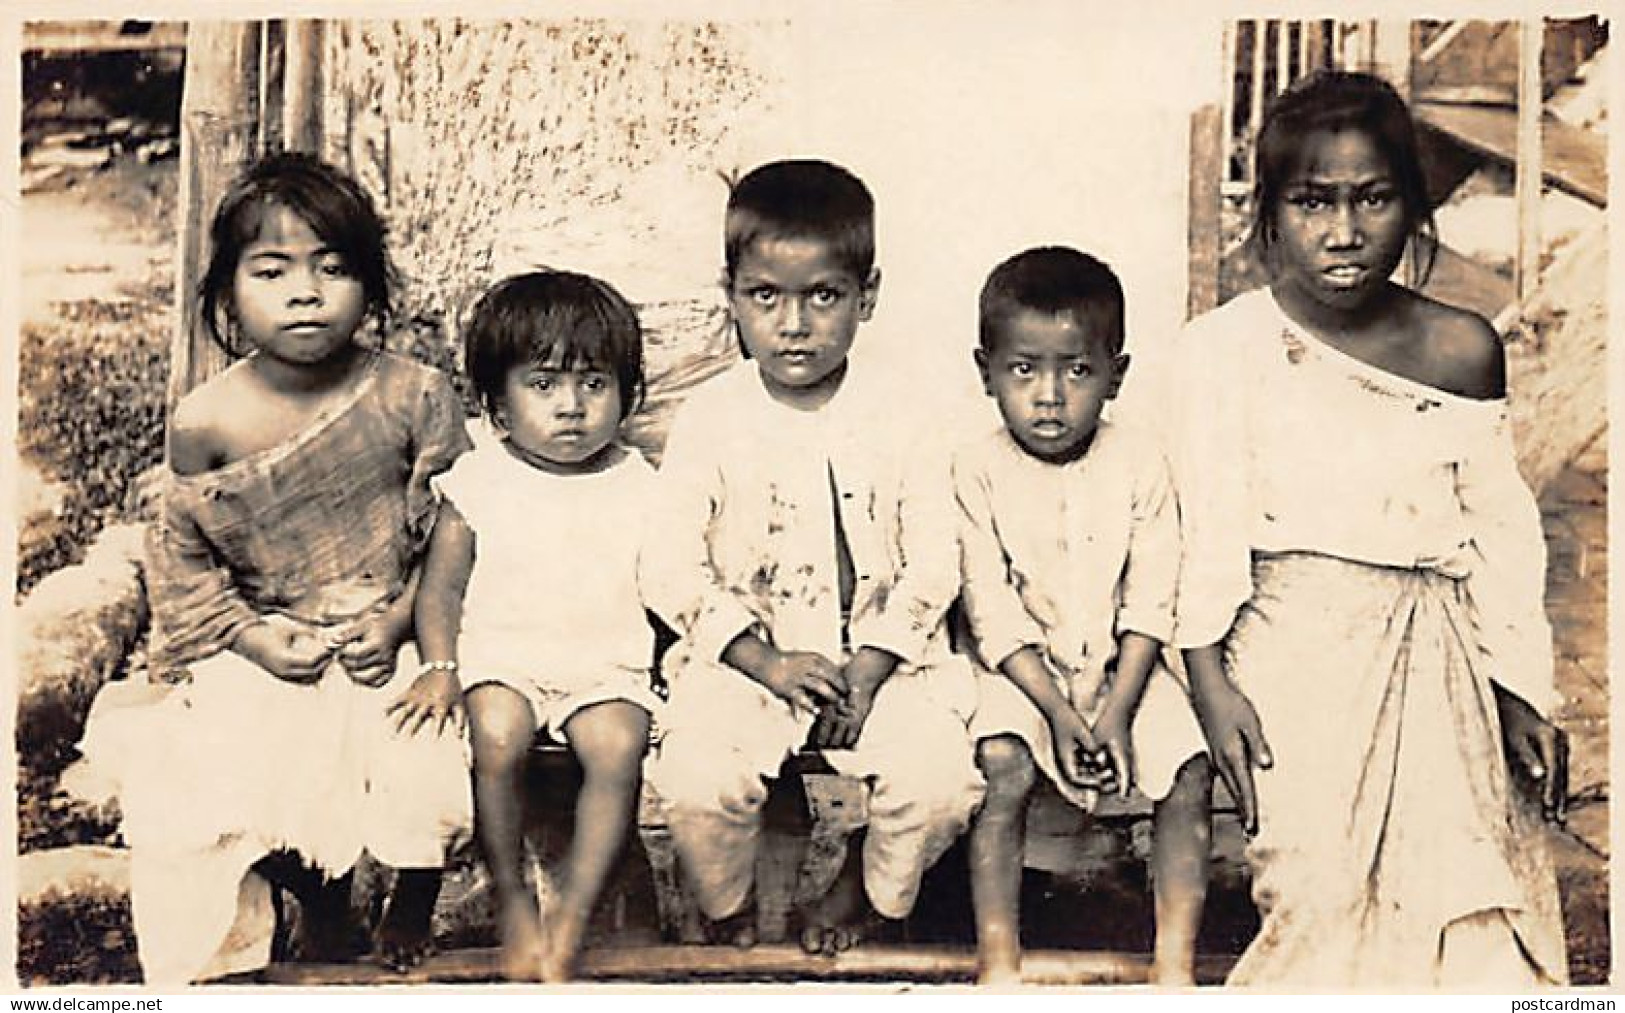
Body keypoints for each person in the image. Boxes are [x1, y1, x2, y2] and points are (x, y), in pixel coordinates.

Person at [1167, 70, 1570, 987]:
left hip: (1435, 651)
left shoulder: (1460, 349)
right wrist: (1207, 680)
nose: (1342, 233)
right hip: (1286, 646)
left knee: (1465, 902)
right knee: (1313, 888)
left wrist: (1518, 689)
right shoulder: (1221, 353)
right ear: (1268, 211)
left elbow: (1500, 538)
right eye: (1312, 201)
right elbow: (1201, 532)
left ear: (1413, 205)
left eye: (1371, 199)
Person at [73, 152, 472, 985]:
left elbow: (453, 531)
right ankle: (318, 894)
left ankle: (412, 896)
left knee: (420, 757)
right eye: (272, 269)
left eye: (334, 268)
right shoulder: (207, 419)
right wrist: (255, 642)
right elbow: (183, 556)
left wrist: (399, 621)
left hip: (393, 623)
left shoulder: (414, 393)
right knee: (212, 772)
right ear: (227, 293)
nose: (306, 291)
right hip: (268, 636)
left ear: (371, 286)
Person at [643, 158, 983, 954]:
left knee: (936, 783)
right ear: (731, 297)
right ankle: (725, 901)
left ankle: (866, 887)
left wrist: (869, 665)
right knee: (697, 778)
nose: (793, 324)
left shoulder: (907, 414)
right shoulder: (711, 418)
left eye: (821, 296)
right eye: (765, 296)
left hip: (884, 662)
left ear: (867, 296)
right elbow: (666, 565)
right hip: (748, 662)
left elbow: (937, 557)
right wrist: (760, 658)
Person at [957, 247, 1212, 985]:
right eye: (1022, 369)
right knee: (1003, 760)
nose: (1047, 397)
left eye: (1076, 371)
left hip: (1124, 669)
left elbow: (1150, 598)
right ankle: (998, 963)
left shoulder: (1140, 460)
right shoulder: (973, 468)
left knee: (1187, 768)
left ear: (1116, 375)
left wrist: (1117, 709)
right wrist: (1061, 714)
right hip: (1022, 675)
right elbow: (991, 611)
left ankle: (1173, 967)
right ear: (985, 372)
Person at [413, 270, 661, 981]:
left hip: (604, 661)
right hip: (506, 658)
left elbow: (671, 586)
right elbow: (441, 590)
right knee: (495, 733)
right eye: (543, 384)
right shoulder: (481, 479)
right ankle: (514, 897)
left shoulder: (641, 482)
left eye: (593, 384)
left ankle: (575, 912)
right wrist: (441, 667)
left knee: (618, 743)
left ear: (627, 394)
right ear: (495, 403)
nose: (572, 407)